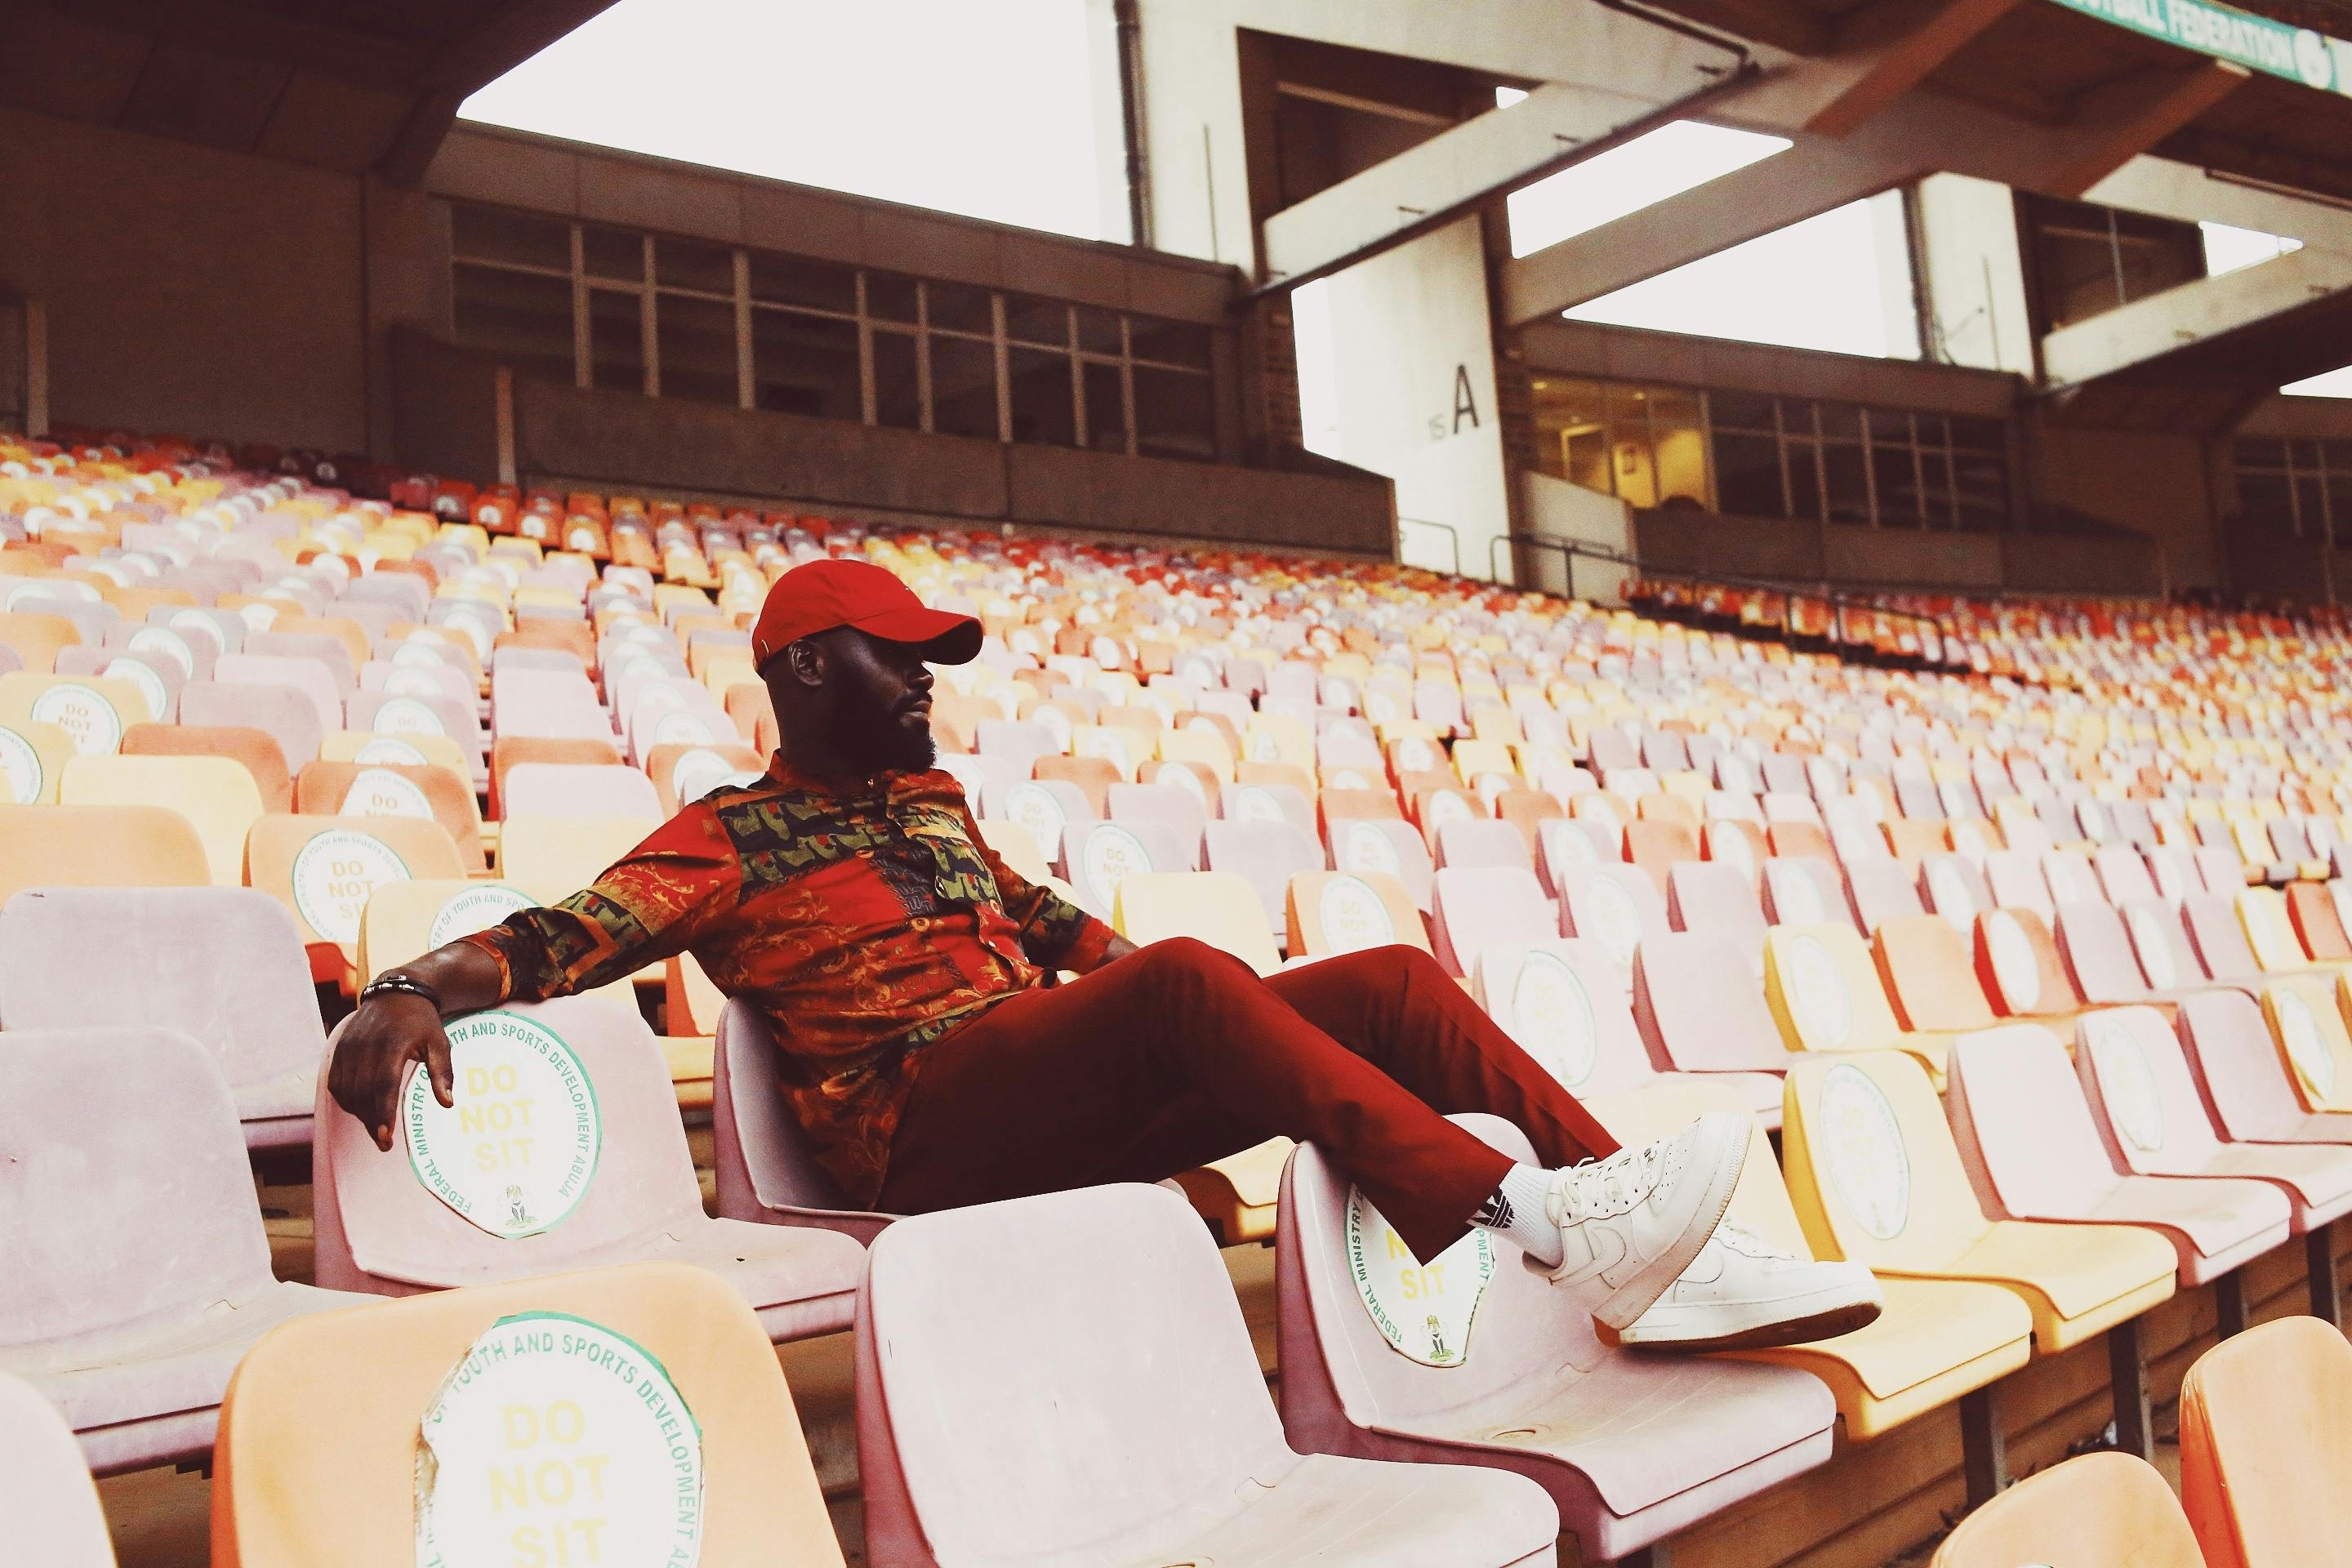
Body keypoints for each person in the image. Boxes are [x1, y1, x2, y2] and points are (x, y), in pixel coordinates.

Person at [330, 558, 1879, 1350]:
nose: (928, 681)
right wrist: (402, 989)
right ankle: (1539, 1222)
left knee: (1389, 983)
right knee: (1193, 981)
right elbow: (566, 935)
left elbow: (1059, 930)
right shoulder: (732, 837)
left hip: (1046, 1096)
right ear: (804, 668)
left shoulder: (934, 805)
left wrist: (1224, 1025)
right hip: (920, 1132)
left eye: (936, 660)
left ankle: (1668, 1262)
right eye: (899, 655)